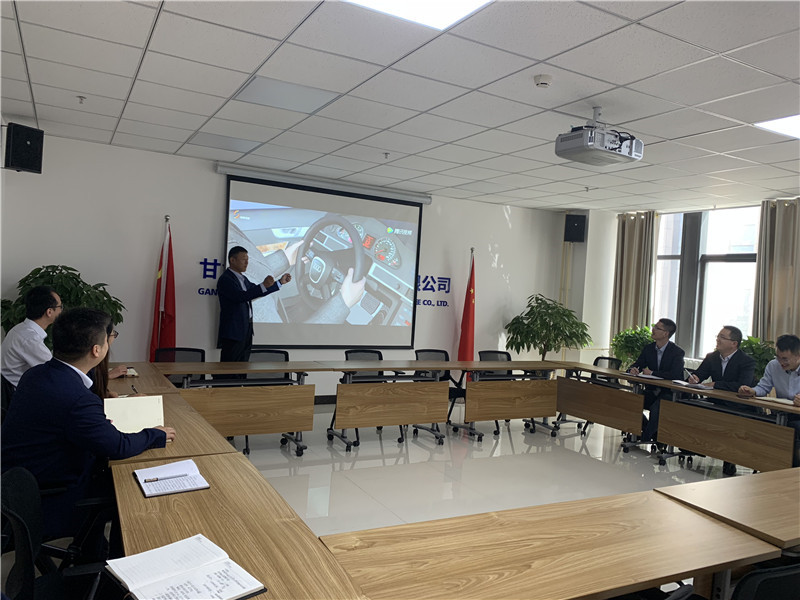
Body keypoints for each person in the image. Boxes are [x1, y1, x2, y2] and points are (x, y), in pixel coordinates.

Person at [1, 307, 176, 545]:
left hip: (20, 486)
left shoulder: (37, 374)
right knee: (130, 489)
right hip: (51, 496)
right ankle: (104, 558)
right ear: (96, 350)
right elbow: (118, 446)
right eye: (109, 338)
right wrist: (155, 434)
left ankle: (92, 550)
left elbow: (69, 417)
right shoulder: (76, 398)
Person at [216, 245, 292, 367]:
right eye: (243, 259)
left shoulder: (243, 279)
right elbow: (240, 297)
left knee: (243, 367)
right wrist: (263, 285)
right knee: (230, 368)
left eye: (247, 259)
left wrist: (279, 282)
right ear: (232, 260)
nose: (247, 263)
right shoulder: (226, 279)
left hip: (246, 331)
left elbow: (258, 291)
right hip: (233, 332)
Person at [738, 334, 800, 467]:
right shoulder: (773, 365)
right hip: (781, 413)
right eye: (778, 357)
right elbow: (763, 387)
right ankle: (766, 465)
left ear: (798, 356)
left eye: (785, 359)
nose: (781, 362)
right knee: (759, 425)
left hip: (798, 417)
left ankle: (792, 470)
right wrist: (752, 391)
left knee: (795, 430)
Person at [627, 318, 685, 441]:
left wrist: (652, 373)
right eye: (654, 326)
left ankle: (646, 437)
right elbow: (638, 364)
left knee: (656, 409)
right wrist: (633, 370)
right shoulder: (649, 349)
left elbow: (675, 374)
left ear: (666, 334)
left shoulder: (677, 352)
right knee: (631, 402)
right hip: (652, 390)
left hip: (669, 393)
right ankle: (651, 434)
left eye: (657, 328)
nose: (653, 329)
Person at [1, 285, 63, 388]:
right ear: (49, 312)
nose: (61, 311)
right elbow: (55, 373)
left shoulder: (20, 329)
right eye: (60, 307)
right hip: (17, 393)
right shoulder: (30, 339)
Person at [688, 325, 755, 392]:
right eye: (718, 336)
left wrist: (715, 384)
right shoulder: (711, 357)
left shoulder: (746, 361)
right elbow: (700, 374)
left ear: (734, 343)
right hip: (714, 397)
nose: (717, 340)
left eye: (722, 337)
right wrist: (695, 378)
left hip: (734, 398)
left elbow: (743, 385)